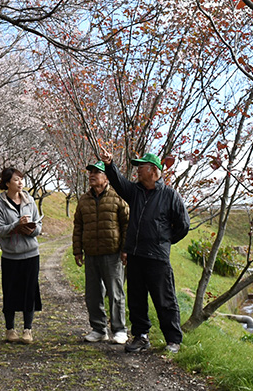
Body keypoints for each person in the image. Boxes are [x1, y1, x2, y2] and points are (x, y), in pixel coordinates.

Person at [99, 149, 190, 354]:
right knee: (136, 299)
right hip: (135, 255)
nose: (138, 170)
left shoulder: (170, 195)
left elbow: (183, 225)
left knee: (164, 299)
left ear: (154, 170)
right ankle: (141, 336)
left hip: (157, 257)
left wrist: (164, 240)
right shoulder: (135, 192)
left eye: (142, 167)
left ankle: (173, 340)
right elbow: (119, 182)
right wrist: (110, 164)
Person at [72, 160, 130, 344]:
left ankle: (119, 330)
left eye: (97, 172)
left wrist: (125, 249)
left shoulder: (118, 196)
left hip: (112, 254)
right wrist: (77, 251)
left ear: (107, 177)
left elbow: (127, 225)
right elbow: (78, 226)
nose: (92, 175)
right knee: (93, 294)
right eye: (91, 172)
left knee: (115, 293)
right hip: (91, 254)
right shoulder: (84, 199)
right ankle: (99, 329)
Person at [0, 167, 43, 344]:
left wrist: (32, 229)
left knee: (30, 291)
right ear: (7, 183)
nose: (20, 182)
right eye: (16, 180)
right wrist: (16, 225)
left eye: (21, 179)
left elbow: (39, 225)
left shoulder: (30, 200)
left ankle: (28, 329)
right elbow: (0, 230)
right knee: (10, 291)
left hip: (31, 254)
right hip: (11, 256)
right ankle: (10, 329)